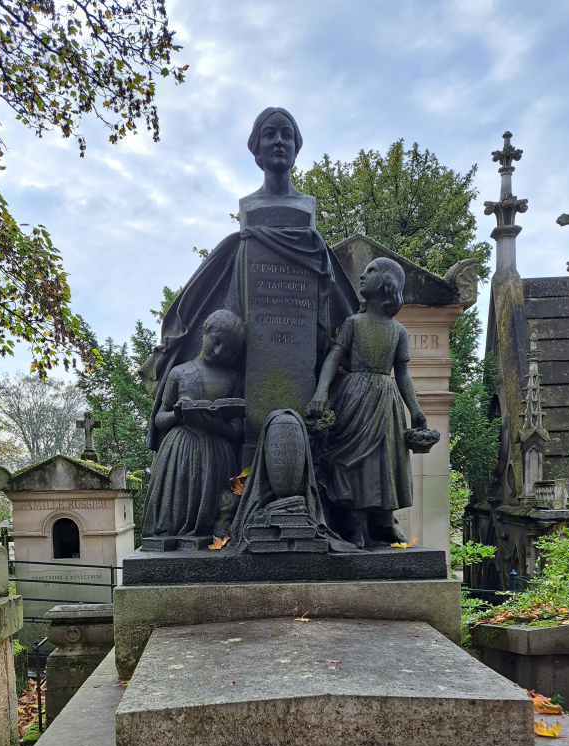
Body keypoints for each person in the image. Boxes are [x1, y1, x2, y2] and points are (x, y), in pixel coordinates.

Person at [140, 107, 358, 448]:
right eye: (269, 134)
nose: (279, 142)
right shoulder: (251, 209)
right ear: (255, 149)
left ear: (297, 147)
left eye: (287, 135)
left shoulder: (305, 206)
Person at [306, 257, 428, 549]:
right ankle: (357, 527)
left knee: (385, 463)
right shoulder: (353, 324)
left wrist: (417, 410)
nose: (362, 275)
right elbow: (333, 358)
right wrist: (321, 392)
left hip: (385, 402)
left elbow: (403, 374)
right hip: (353, 397)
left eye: (370, 271)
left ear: (387, 284)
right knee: (353, 463)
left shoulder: (398, 331)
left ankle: (384, 524)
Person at [141, 310, 245, 541]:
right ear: (205, 332)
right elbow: (160, 419)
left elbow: (238, 431)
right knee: (176, 506)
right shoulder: (179, 372)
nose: (219, 352)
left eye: (227, 349)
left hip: (217, 454)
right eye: (215, 342)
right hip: (180, 450)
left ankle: (211, 534)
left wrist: (218, 424)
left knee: (214, 510)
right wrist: (177, 412)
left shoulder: (235, 379)